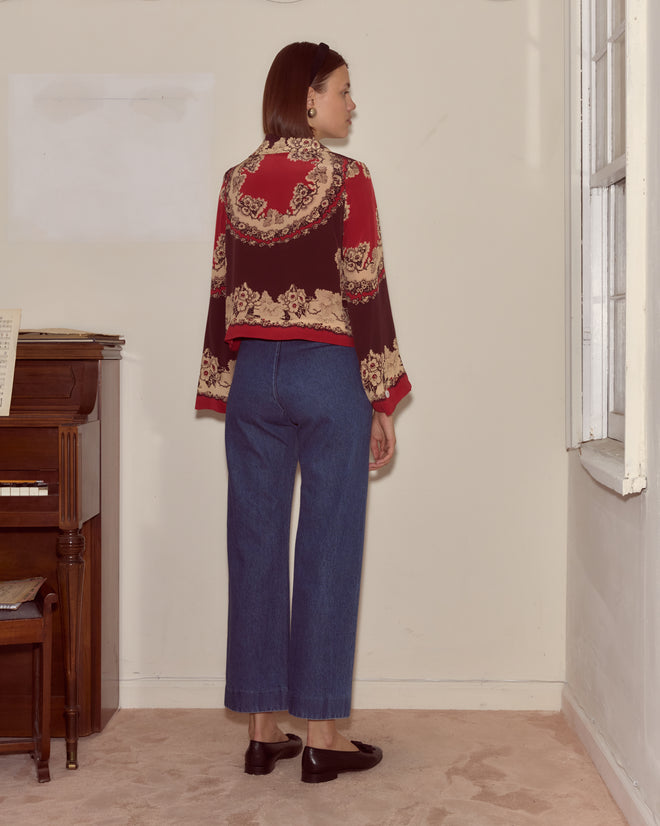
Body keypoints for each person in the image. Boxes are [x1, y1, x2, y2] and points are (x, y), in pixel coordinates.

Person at [196, 41, 411, 783]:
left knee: (253, 544)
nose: (353, 104)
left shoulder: (234, 182)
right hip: (328, 373)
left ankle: (262, 732)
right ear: (309, 97)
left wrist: (222, 380)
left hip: (255, 373)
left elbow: (221, 290)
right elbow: (365, 288)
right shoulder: (349, 179)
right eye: (345, 91)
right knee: (328, 543)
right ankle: (322, 733)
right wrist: (381, 396)